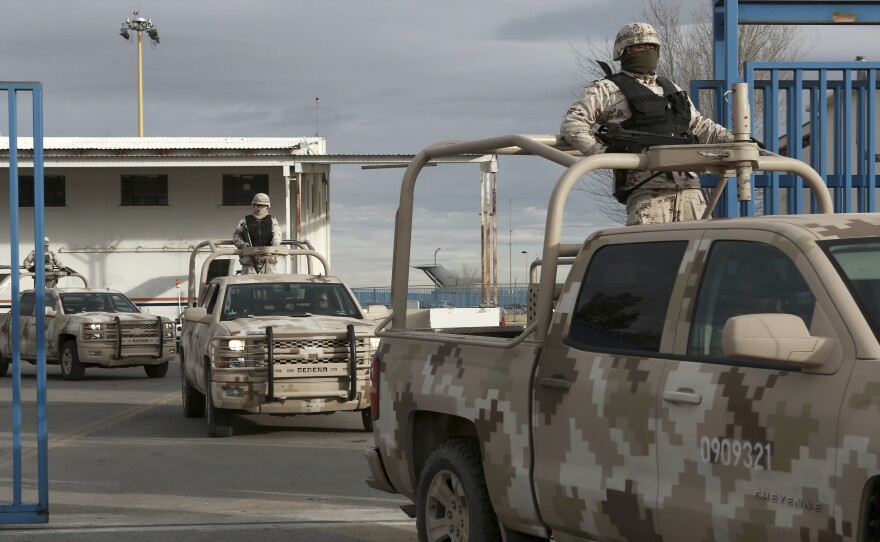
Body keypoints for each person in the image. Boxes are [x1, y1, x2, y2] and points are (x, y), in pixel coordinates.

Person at [561, 22, 735, 225]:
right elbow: (573, 125)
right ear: (623, 51)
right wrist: (605, 155)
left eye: (653, 47)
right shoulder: (606, 89)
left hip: (689, 187)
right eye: (641, 47)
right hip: (646, 190)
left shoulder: (671, 89)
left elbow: (699, 125)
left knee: (698, 252)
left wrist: (739, 139)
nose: (648, 51)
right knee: (650, 254)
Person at [232, 193, 282, 274]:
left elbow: (277, 235)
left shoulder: (272, 220)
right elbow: (237, 235)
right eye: (257, 205)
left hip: (268, 262)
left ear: (267, 206)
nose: (259, 208)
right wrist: (242, 244)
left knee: (271, 285)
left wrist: (274, 246)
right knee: (249, 285)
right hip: (249, 262)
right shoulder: (245, 221)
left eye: (262, 206)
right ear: (253, 205)